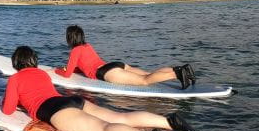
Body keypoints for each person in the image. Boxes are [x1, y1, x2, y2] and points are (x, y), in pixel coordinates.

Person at [2, 46, 197, 131]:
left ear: (16, 62)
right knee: (120, 117)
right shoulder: (42, 74)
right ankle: (169, 121)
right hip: (73, 100)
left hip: (56, 111)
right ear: (34, 60)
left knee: (104, 129)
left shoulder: (15, 78)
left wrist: (16, 100)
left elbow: (8, 110)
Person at [55, 24, 197, 89]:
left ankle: (178, 74)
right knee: (148, 74)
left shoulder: (75, 50)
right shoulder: (87, 46)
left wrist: (58, 70)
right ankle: (183, 69)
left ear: (70, 38)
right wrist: (75, 69)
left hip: (105, 72)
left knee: (144, 81)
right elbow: (84, 66)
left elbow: (67, 74)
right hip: (114, 65)